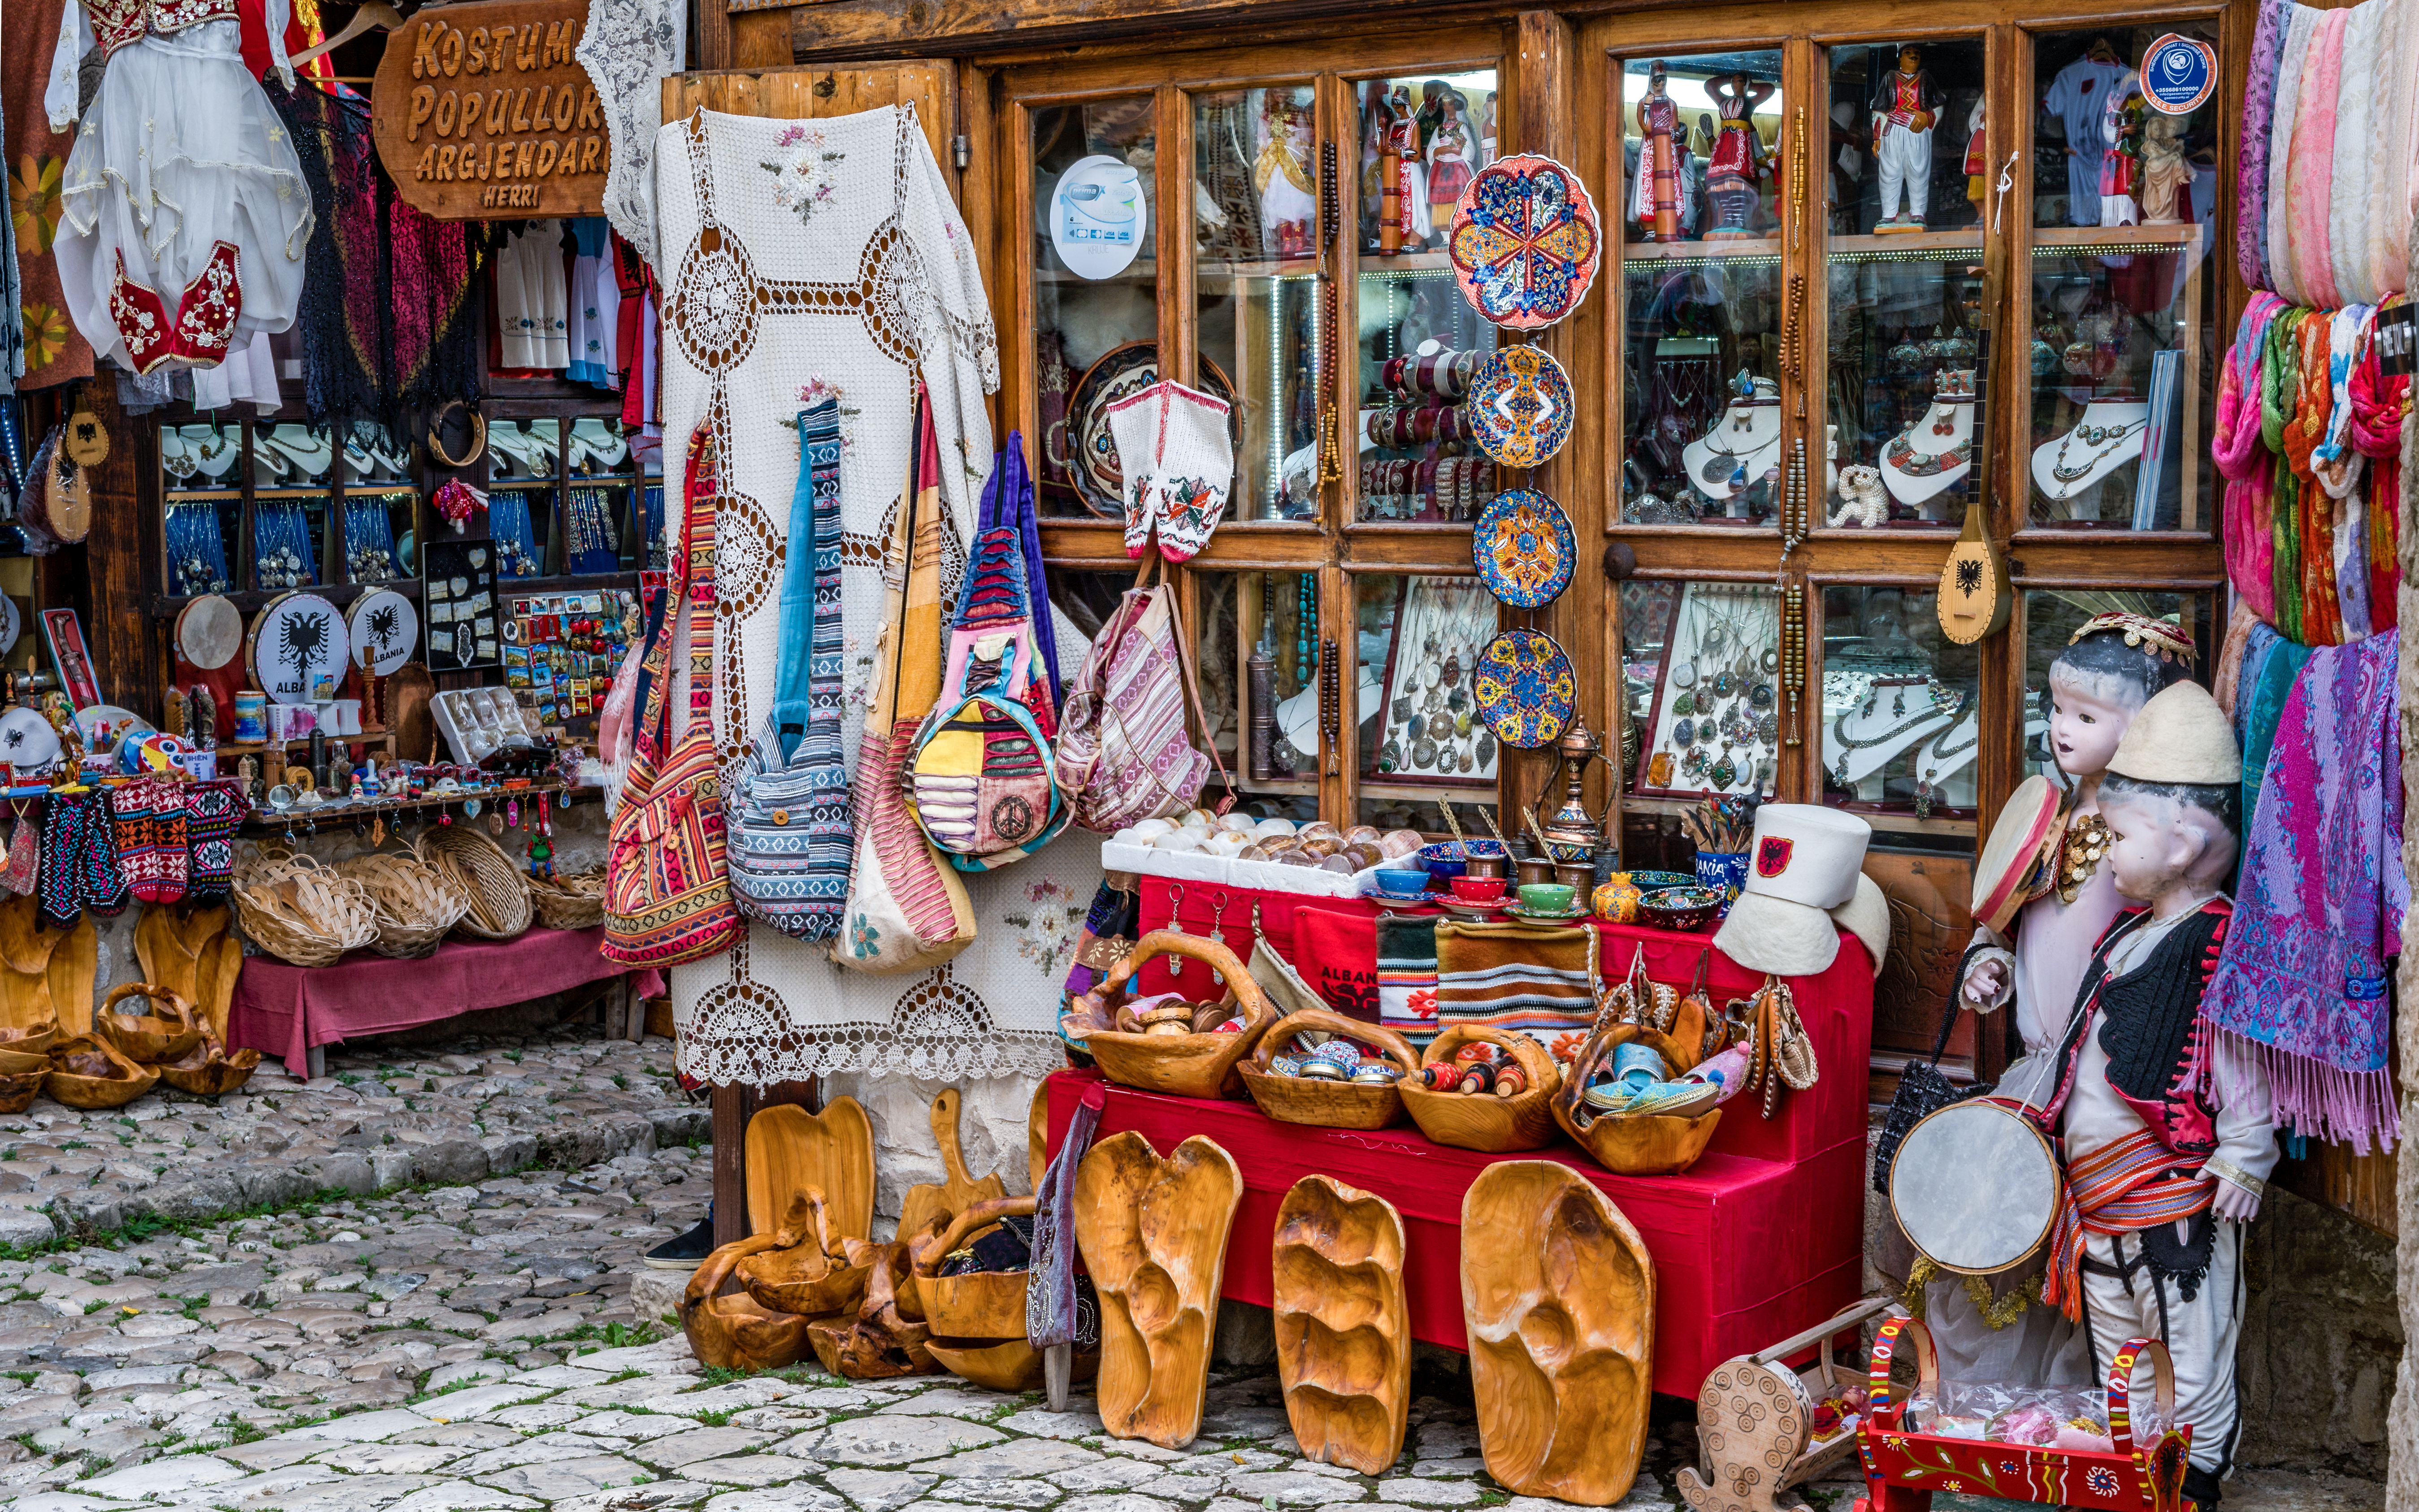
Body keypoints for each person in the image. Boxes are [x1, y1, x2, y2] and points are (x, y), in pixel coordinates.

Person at [2031, 679, 2272, 1512]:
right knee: (2119, 1352)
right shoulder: (2129, 933)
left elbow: (2236, 1055)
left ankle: (2193, 1480)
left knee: (2190, 1354)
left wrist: (2245, 1153)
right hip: (2098, 1210)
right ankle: (2129, 1476)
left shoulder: (2216, 937)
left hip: (2174, 1208)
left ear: (2181, 843)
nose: (2104, 844)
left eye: (2121, 831)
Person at [1941, 611, 2195, 1384]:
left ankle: (2082, 1428)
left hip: (2100, 1086)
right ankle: (1999, 1422)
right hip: (2033, 1073)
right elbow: (2011, 922)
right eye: (2056, 709)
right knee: (2001, 1245)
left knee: (2093, 1270)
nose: (2060, 728)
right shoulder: (2047, 815)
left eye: (2087, 716)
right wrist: (1990, 964)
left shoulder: (2149, 838)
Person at [1870, 45, 1940, 232]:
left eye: (1916, 53)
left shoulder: (1926, 78)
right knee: (1889, 172)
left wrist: (1928, 117)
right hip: (1892, 130)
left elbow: (1939, 105)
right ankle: (1888, 215)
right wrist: (1877, 138)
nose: (1913, 56)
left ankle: (1918, 213)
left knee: (1918, 171)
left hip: (1917, 130)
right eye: (1908, 53)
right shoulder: (1889, 78)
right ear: (1900, 59)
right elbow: (1879, 109)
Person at [1703, 73, 1776, 239]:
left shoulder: (1749, 102)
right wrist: (1728, 75)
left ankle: (1739, 219)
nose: (1736, 84)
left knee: (1738, 183)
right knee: (1722, 183)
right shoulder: (1724, 101)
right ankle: (1728, 219)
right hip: (1724, 142)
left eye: (1740, 81)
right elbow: (1710, 86)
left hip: (1740, 142)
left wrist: (1749, 85)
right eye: (1733, 82)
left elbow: (1769, 89)